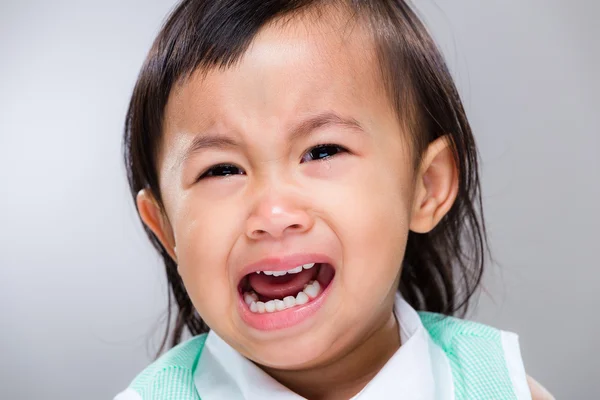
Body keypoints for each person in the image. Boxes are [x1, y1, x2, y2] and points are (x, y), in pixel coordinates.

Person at [116, 0, 554, 398]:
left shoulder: (499, 386)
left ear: (428, 186)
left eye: (322, 151)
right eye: (222, 169)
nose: (273, 214)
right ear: (167, 229)